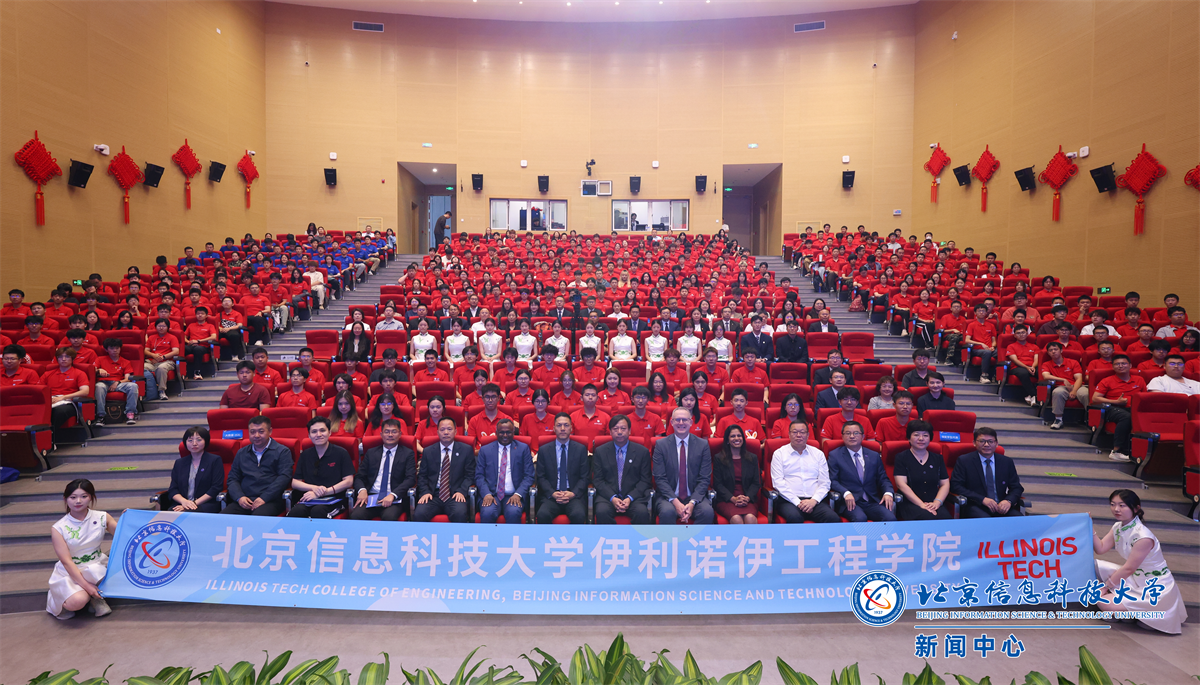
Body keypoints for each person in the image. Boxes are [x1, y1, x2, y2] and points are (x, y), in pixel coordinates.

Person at [1092, 489, 1188, 634]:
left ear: (1136, 508)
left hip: (1154, 587)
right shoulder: (1118, 527)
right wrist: (1089, 526)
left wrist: (1105, 587)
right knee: (1095, 566)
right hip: (1135, 578)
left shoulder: (1143, 536)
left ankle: (1140, 613)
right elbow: (1100, 548)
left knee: (1103, 602)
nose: (1116, 509)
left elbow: (1129, 568)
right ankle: (1131, 613)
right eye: (1113, 504)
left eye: (1122, 505)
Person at [48, 479, 117, 620]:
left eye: (84, 496)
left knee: (102, 573)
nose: (78, 501)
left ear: (91, 497)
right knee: (77, 601)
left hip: (96, 565)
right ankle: (60, 598)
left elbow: (122, 534)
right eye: (73, 497)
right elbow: (67, 562)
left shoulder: (102, 517)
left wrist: (127, 518)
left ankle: (95, 599)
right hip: (71, 571)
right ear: (65, 499)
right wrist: (87, 586)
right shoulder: (58, 528)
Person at [652, 408, 716, 524]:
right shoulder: (661, 445)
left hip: (694, 496)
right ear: (671, 422)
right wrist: (676, 502)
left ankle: (695, 537)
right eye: (677, 420)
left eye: (684, 420)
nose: (681, 423)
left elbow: (704, 478)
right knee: (667, 512)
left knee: (707, 512)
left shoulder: (702, 445)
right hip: (668, 497)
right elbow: (660, 478)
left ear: (691, 422)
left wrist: (692, 503)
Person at [769, 421, 840, 523]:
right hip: (789, 501)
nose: (798, 435)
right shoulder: (779, 454)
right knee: (794, 517)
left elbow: (825, 482)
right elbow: (778, 483)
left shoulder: (818, 454)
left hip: (815, 501)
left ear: (808, 435)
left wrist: (813, 501)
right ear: (789, 434)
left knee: (833, 518)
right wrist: (798, 502)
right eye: (795, 432)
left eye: (802, 432)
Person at [221, 416, 293, 516]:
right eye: (252, 432)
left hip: (270, 500)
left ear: (270, 431)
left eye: (261, 431)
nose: (256, 435)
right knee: (223, 518)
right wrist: (239, 497)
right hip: (245, 500)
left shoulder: (282, 451)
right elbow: (232, 478)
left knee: (257, 519)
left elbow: (284, 478)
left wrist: (264, 498)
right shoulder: (242, 453)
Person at [948, 427, 1024, 519]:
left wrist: (1008, 501)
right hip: (976, 505)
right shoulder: (964, 461)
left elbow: (1016, 487)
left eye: (990, 441)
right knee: (986, 521)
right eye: (982, 441)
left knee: (1019, 519)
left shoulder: (1006, 462)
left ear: (996, 443)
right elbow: (956, 486)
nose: (986, 444)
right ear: (974, 443)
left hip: (1000, 506)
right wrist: (982, 499)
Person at [827, 421, 895, 522]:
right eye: (848, 433)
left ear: (863, 436)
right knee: (860, 518)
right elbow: (833, 480)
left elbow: (883, 479)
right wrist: (845, 493)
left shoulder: (874, 455)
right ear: (842, 436)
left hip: (872, 501)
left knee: (890, 518)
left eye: (856, 433)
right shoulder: (835, 455)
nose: (852, 436)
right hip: (849, 501)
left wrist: (888, 492)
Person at [351, 418, 417, 521]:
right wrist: (362, 490)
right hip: (371, 496)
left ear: (400, 434)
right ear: (381, 434)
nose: (390, 435)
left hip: (394, 498)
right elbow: (359, 476)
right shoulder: (371, 453)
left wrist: (393, 495)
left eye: (394, 432)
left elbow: (410, 479)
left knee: (389, 517)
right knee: (356, 516)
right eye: (387, 432)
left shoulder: (407, 454)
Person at [591, 414, 653, 525]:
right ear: (610, 432)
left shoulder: (642, 452)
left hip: (634, 497)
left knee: (641, 513)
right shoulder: (601, 451)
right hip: (608, 497)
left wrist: (629, 498)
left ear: (629, 431)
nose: (619, 432)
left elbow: (645, 480)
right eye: (615, 429)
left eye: (623, 428)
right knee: (602, 512)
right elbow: (598, 480)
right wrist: (613, 498)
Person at [288, 417, 355, 518]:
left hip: (335, 499)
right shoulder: (305, 454)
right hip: (310, 497)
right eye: (314, 432)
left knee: (318, 512)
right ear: (309, 435)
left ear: (329, 432)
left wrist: (324, 492)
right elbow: (295, 482)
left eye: (322, 430)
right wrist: (314, 489)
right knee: (296, 512)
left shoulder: (341, 453)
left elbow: (348, 481)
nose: (318, 434)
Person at [414, 417, 474, 522]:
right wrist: (425, 492)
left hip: (455, 494)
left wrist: (462, 491)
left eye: (449, 429)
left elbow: (470, 475)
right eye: (442, 429)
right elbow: (422, 476)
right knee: (419, 514)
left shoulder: (466, 450)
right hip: (433, 495)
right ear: (437, 432)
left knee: (459, 513)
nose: (446, 432)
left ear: (455, 431)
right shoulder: (428, 451)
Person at [475, 418, 533, 524]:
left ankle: (512, 536)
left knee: (513, 512)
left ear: (513, 432)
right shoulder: (485, 450)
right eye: (501, 432)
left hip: (514, 494)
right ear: (496, 433)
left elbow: (529, 476)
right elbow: (479, 476)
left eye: (508, 432)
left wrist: (518, 494)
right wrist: (486, 494)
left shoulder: (523, 449)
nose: (505, 435)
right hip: (491, 494)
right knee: (488, 512)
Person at [1090, 354, 1146, 462]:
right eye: (1117, 364)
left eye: (1123, 363)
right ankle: (1116, 451)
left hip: (1134, 409)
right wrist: (1116, 402)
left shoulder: (1139, 379)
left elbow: (1145, 396)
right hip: (1112, 408)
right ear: (1113, 367)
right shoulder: (1107, 380)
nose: (1120, 366)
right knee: (1126, 417)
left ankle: (1141, 451)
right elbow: (1095, 398)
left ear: (1130, 365)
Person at [535, 413, 589, 524]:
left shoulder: (581, 449)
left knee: (578, 514)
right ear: (554, 428)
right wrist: (553, 493)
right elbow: (541, 477)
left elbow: (585, 477)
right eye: (559, 425)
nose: (563, 428)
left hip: (573, 495)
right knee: (542, 514)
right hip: (552, 495)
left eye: (566, 425)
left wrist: (573, 493)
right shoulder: (544, 450)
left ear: (571, 428)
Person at [892, 420, 951, 520]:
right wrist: (921, 504)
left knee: (946, 519)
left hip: (933, 502)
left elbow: (945, 484)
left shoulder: (937, 458)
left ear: (930, 438)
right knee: (927, 517)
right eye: (916, 435)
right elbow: (901, 484)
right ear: (909, 438)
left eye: (925, 435)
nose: (921, 438)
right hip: (910, 502)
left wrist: (937, 502)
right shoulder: (901, 457)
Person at [166, 427, 224, 513]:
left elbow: (216, 488)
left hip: (205, 504)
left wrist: (193, 504)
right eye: (190, 440)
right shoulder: (179, 463)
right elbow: (173, 489)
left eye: (199, 440)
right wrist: (184, 502)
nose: (194, 443)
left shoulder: (214, 460)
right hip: (182, 504)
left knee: (188, 512)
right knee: (170, 513)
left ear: (206, 441)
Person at [712, 424, 762, 524]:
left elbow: (756, 483)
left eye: (739, 436)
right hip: (727, 499)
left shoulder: (752, 458)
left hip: (747, 499)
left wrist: (747, 498)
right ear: (727, 440)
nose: (736, 438)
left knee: (750, 518)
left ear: (743, 438)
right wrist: (733, 499)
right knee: (736, 519)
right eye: (732, 436)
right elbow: (718, 484)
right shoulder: (719, 458)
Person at [94, 338, 139, 425]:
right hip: (103, 382)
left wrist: (117, 382)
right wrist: (99, 370)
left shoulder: (125, 362)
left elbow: (127, 378)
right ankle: (101, 416)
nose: (115, 350)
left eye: (117, 348)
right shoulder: (100, 359)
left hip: (118, 383)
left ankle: (130, 413)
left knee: (133, 386)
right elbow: (92, 370)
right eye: (112, 348)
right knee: (99, 387)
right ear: (106, 349)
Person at [42, 348, 91, 429]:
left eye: (67, 356)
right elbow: (39, 390)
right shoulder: (47, 374)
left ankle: (51, 434)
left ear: (72, 358)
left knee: (58, 411)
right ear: (57, 359)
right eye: (60, 357)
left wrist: (63, 397)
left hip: (68, 401)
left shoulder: (79, 373)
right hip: (50, 400)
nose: (63, 359)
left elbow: (85, 391)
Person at [1040, 341, 1084, 429]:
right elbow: (1046, 376)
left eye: (1055, 349)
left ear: (1061, 351)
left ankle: (1091, 420)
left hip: (1077, 386)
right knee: (1057, 392)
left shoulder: (1073, 362)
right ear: (1048, 353)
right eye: (1050, 350)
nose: (1053, 352)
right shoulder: (1046, 364)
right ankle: (1058, 420)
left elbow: (1079, 378)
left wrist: (1074, 391)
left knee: (1085, 393)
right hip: (1061, 386)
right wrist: (1063, 379)